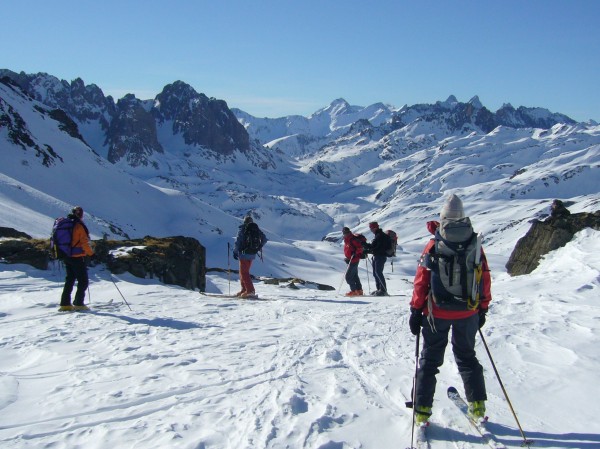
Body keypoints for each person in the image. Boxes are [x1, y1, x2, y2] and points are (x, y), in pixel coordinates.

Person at [409, 194, 492, 425]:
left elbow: (421, 280)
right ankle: (477, 406)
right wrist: (482, 307)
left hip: (437, 313)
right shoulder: (475, 243)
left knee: (429, 360)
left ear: (443, 218)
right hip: (468, 311)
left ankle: (422, 410)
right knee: (467, 357)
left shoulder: (434, 244)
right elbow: (484, 277)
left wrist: (416, 310)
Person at [59, 206, 95, 311]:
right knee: (83, 280)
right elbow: (84, 242)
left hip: (66, 256)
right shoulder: (79, 226)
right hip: (77, 257)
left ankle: (65, 304)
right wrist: (91, 254)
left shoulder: (65, 224)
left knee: (69, 280)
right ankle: (79, 303)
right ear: (81, 215)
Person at [233, 216, 267, 299]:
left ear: (244, 221)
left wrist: (235, 251)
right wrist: (258, 247)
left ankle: (250, 291)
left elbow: (238, 241)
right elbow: (264, 239)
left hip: (243, 254)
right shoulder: (256, 229)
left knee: (244, 273)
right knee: (244, 272)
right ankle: (244, 290)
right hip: (252, 254)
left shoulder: (243, 229)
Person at [366, 221, 389, 296]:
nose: (371, 230)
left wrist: (368, 248)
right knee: (376, 273)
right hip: (378, 256)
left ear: (374, 228)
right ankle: (379, 289)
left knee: (378, 272)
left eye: (371, 228)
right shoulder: (379, 235)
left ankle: (383, 290)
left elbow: (376, 247)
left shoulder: (379, 236)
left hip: (380, 256)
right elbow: (375, 247)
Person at [342, 227, 364, 296]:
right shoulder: (347, 239)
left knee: (348, 277)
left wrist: (355, 254)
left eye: (346, 232)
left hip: (353, 260)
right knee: (354, 276)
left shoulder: (352, 239)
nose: (345, 234)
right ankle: (359, 290)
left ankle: (354, 291)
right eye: (344, 232)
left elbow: (360, 248)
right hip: (351, 259)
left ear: (349, 232)